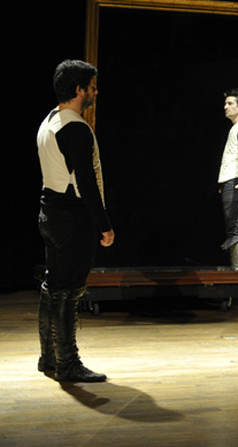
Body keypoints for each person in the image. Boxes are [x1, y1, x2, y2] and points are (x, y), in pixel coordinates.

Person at [37, 59, 115, 382]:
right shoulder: (76, 129)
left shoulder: (49, 121)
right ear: (79, 89)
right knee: (68, 291)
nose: (96, 92)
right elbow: (86, 182)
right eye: (92, 87)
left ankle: (50, 357)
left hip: (50, 212)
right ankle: (67, 364)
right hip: (71, 218)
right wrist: (104, 225)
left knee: (54, 286)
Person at [217, 88, 238, 270]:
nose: (225, 107)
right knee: (233, 227)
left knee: (236, 228)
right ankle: (237, 270)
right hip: (232, 180)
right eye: (225, 103)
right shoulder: (236, 128)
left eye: (230, 103)